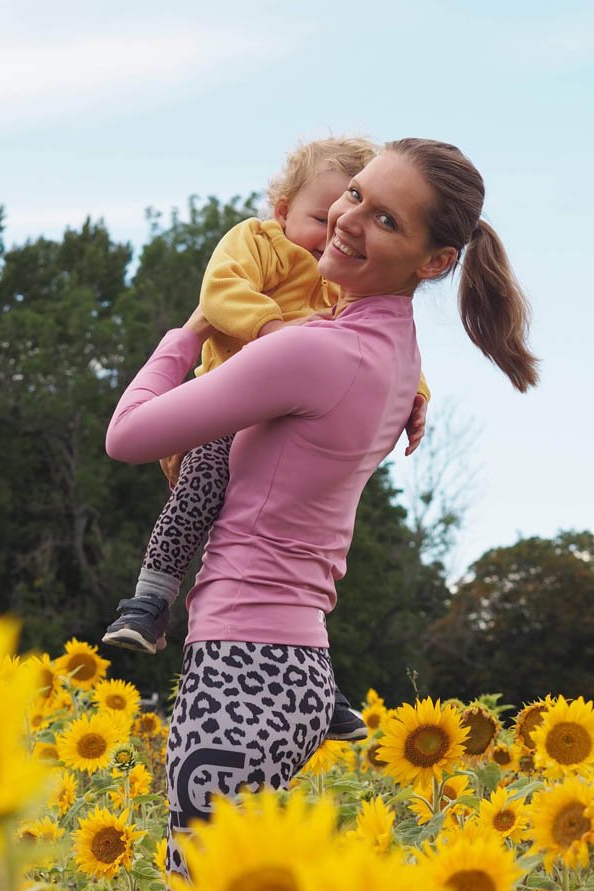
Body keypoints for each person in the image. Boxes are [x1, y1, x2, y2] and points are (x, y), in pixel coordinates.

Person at [105, 139, 538, 891]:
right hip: (296, 673)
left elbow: (127, 435)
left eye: (386, 218)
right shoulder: (397, 359)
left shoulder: (310, 350)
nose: (347, 220)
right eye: (356, 195)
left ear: (436, 259)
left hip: (243, 671)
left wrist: (191, 327)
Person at [101, 136, 431, 741]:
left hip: (285, 424)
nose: (333, 228)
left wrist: (417, 396)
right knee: (196, 499)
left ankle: (317, 685)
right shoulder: (257, 242)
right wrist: (271, 330)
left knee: (304, 539)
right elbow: (221, 292)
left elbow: (375, 338)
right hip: (225, 412)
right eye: (326, 211)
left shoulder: (343, 283)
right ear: (281, 210)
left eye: (366, 211)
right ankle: (150, 602)